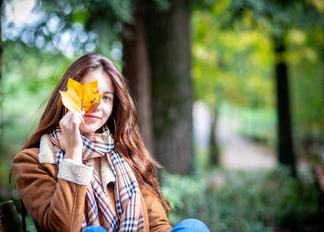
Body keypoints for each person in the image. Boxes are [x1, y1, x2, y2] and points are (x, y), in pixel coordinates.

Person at [12, 53, 209, 232]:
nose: (97, 105)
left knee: (194, 227)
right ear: (68, 97)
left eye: (106, 97)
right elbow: (62, 228)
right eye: (88, 95)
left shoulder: (124, 153)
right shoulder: (32, 161)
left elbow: (157, 224)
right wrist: (73, 154)